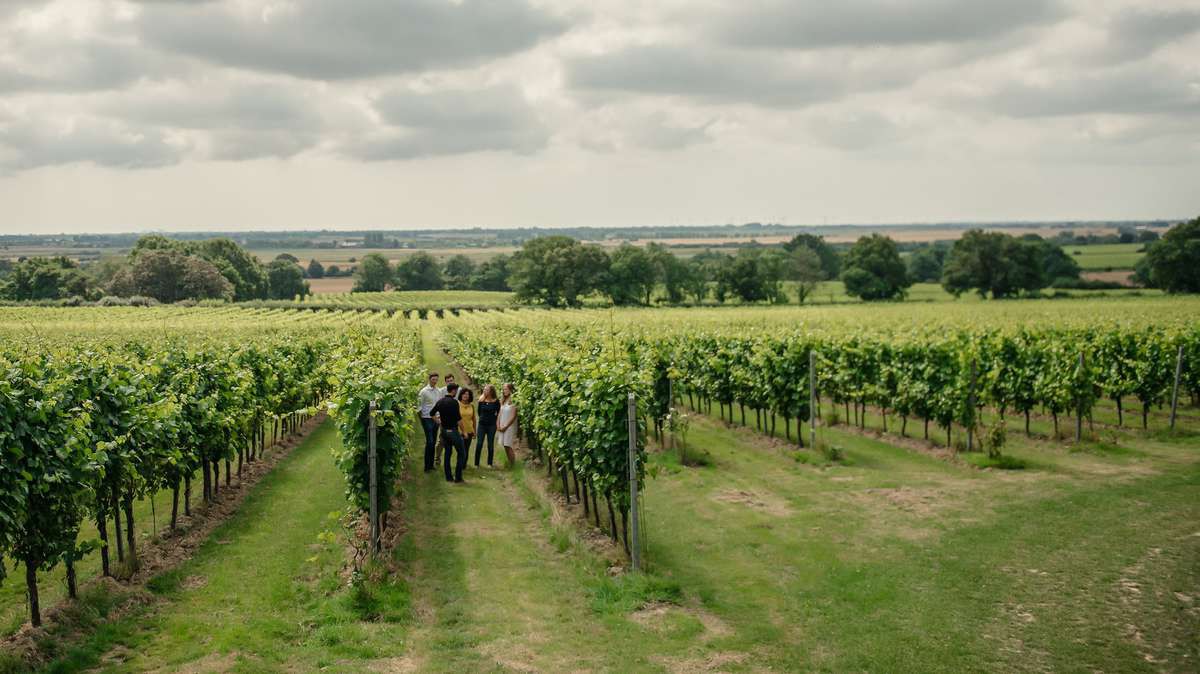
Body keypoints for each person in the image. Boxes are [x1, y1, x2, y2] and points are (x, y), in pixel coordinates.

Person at [432, 383, 468, 483]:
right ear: (453, 391)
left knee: (448, 453)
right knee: (462, 453)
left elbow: (432, 413)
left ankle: (448, 477)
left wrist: (438, 421)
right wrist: (464, 432)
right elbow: (459, 419)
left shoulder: (440, 401)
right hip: (453, 431)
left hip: (444, 431)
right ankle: (458, 477)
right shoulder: (454, 402)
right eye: (456, 390)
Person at [417, 373, 440, 472]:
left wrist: (439, 418)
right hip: (426, 418)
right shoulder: (423, 392)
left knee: (433, 442)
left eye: (436, 380)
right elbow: (419, 408)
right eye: (433, 379)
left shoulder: (438, 391)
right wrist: (422, 420)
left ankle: (431, 465)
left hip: (436, 419)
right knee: (430, 442)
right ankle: (427, 466)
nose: (434, 381)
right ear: (429, 379)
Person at [475, 384, 500, 467]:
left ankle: (489, 463)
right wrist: (482, 418)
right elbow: (479, 412)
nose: (484, 391)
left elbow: (498, 413)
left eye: (486, 390)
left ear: (491, 391)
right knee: (479, 443)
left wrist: (495, 421)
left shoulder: (496, 401)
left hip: (491, 425)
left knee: (490, 444)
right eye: (484, 389)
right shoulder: (481, 400)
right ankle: (476, 463)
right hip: (482, 425)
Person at [497, 383, 518, 468]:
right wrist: (498, 424)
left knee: (508, 445)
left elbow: (513, 416)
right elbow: (499, 413)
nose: (504, 391)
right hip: (502, 425)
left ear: (510, 390)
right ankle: (510, 463)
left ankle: (513, 465)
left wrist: (505, 427)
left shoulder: (513, 401)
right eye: (503, 389)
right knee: (505, 445)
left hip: (508, 426)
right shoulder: (503, 400)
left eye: (506, 389)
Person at [458, 387, 477, 459]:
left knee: (466, 449)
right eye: (464, 394)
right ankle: (460, 465)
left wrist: (474, 431)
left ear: (469, 396)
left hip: (469, 430)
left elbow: (474, 419)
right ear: (461, 395)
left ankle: (464, 466)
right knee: (461, 449)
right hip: (460, 431)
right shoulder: (457, 405)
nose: (465, 396)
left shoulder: (471, 406)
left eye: (467, 394)